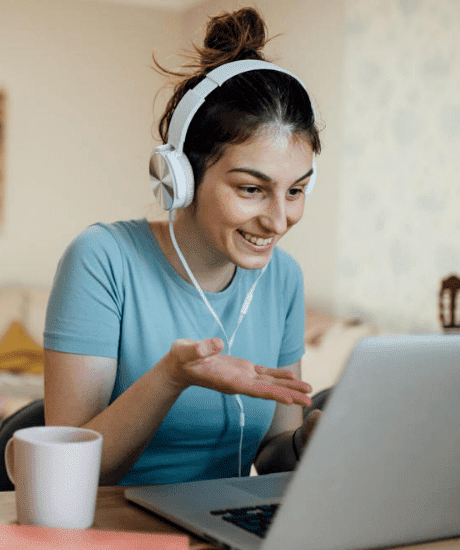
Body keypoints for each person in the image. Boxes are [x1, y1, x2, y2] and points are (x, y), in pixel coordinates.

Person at [43, 7, 322, 487]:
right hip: (113, 531)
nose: (279, 220)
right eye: (251, 189)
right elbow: (67, 476)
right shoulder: (102, 260)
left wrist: (308, 442)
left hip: (224, 527)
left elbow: (273, 455)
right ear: (182, 179)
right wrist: (172, 377)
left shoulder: (283, 278)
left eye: (295, 190)